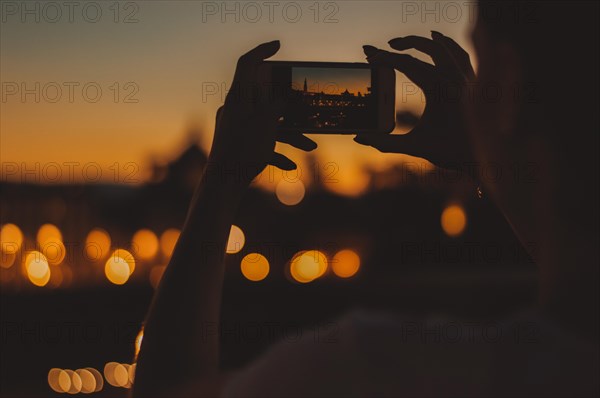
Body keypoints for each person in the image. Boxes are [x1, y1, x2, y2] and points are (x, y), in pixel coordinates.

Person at [132, 1, 599, 396]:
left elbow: (165, 388)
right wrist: (488, 154)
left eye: (480, 65)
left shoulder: (376, 369)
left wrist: (220, 182)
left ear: (510, 88)